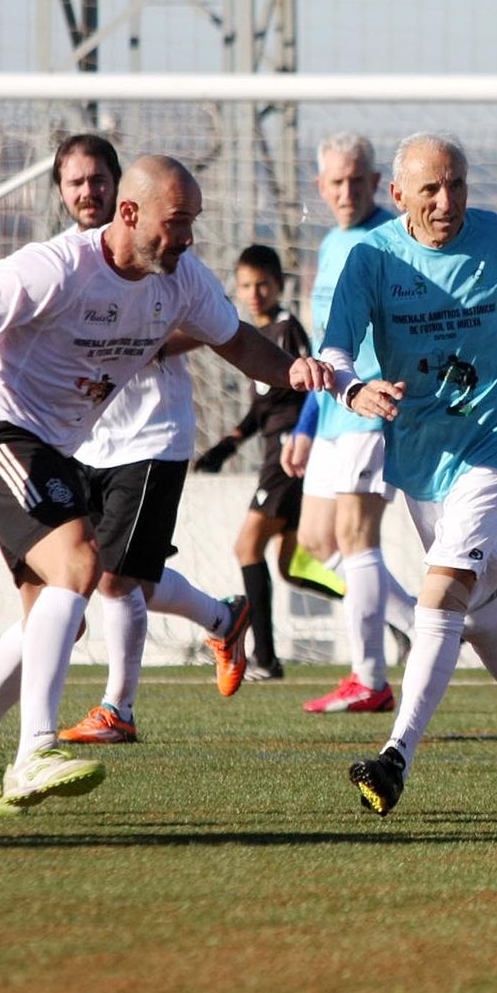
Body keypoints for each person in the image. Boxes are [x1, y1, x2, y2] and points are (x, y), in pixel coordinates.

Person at [0, 155, 330, 813]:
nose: (188, 237)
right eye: (178, 221)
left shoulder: (182, 280)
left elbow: (238, 342)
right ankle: (36, 751)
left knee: (58, 614)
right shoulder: (57, 268)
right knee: (83, 565)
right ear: (129, 213)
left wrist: (294, 371)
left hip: (56, 449)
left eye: (194, 221)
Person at [0, 135, 255, 754]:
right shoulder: (61, 264)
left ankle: (112, 711)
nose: (87, 191)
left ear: (121, 191)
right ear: (62, 191)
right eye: (75, 182)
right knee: (90, 585)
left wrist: (145, 337)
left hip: (148, 433)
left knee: (114, 579)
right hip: (74, 443)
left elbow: (215, 328)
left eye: (97, 179)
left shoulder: (165, 263)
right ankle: (221, 616)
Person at [322, 132, 497, 818]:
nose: (446, 201)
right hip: (423, 450)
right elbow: (336, 350)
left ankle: (396, 755)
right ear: (397, 195)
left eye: (456, 184)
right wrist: (355, 390)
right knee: (478, 601)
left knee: (441, 592)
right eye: (430, 189)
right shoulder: (372, 258)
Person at [282, 133, 417, 714]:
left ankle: (369, 677)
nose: (346, 191)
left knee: (358, 538)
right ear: (321, 186)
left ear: (376, 182)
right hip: (333, 412)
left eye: (356, 180)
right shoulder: (330, 243)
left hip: (373, 410)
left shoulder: (392, 239)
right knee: (315, 540)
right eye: (336, 182)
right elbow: (326, 345)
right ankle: (424, 624)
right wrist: (306, 423)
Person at [192, 245, 336, 681]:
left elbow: (310, 390)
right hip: (279, 452)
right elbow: (260, 410)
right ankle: (392, 617)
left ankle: (265, 659)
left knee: (247, 547)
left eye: (263, 285)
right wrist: (227, 446)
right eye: (246, 286)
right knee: (292, 567)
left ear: (278, 286)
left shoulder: (287, 330)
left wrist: (305, 438)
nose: (254, 294)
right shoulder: (254, 338)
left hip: (289, 455)